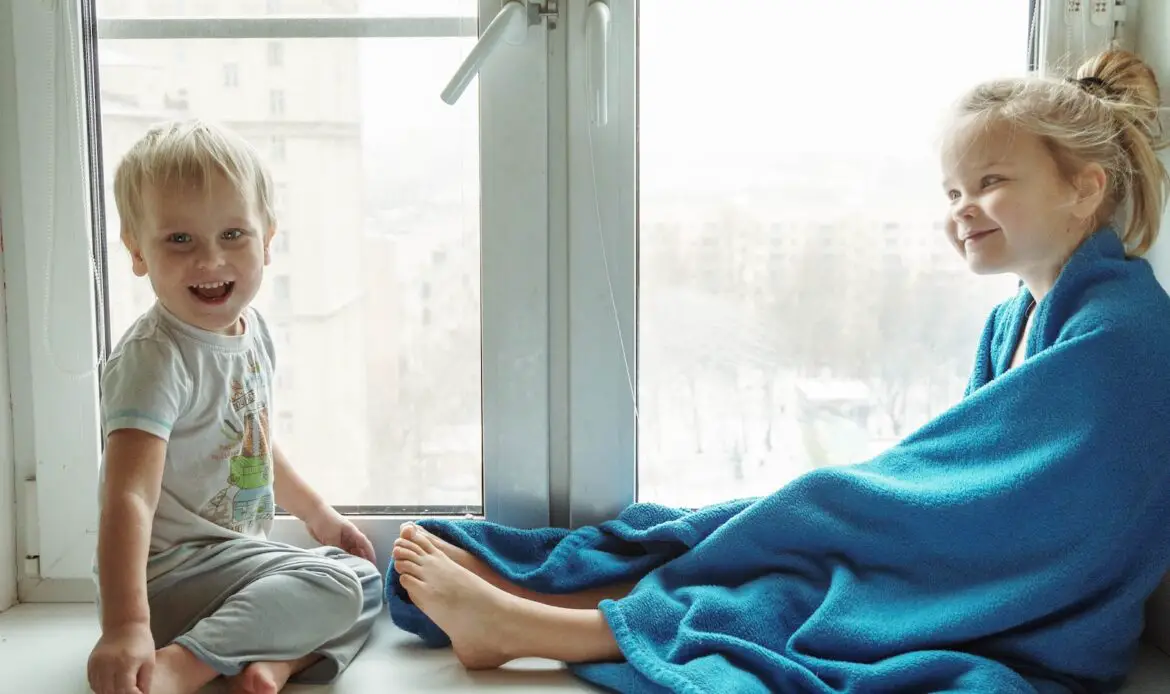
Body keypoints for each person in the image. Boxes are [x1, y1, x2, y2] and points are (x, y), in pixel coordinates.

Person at [388, 49, 1170, 693]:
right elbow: (962, 479)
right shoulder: (1014, 320)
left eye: (992, 183)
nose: (963, 208)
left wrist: (864, 509)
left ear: (1083, 187)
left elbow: (1029, 515)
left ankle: (534, 619)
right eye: (953, 190)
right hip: (985, 559)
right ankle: (537, 596)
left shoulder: (1124, 336)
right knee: (788, 530)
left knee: (812, 541)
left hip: (1036, 607)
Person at [86, 120, 383, 694]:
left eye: (232, 235)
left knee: (366, 579)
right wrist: (126, 624)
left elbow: (253, 440)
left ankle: (273, 663)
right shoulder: (157, 357)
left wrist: (318, 515)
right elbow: (128, 495)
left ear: (267, 240)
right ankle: (182, 666)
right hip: (166, 582)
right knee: (336, 587)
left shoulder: (253, 333)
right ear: (136, 250)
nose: (209, 260)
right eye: (179, 240)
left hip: (231, 566)